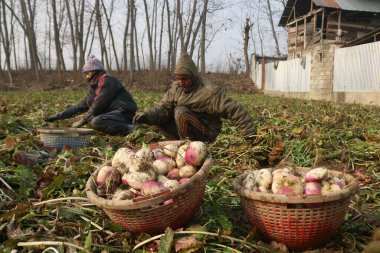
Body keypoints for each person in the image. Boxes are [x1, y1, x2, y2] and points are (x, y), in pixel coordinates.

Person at [132, 52, 256, 142]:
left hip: (205, 131)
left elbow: (233, 109)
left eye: (184, 79)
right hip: (184, 127)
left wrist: (249, 136)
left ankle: (189, 148)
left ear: (193, 76)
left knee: (181, 112)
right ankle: (179, 142)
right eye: (178, 78)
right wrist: (147, 116)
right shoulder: (176, 88)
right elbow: (163, 108)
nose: (181, 82)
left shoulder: (208, 92)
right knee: (156, 118)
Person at [45, 55, 137, 135]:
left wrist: (84, 119)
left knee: (97, 121)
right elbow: (81, 106)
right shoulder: (94, 87)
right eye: (85, 73)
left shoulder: (107, 80)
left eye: (87, 73)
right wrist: (60, 116)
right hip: (112, 115)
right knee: (96, 120)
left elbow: (100, 103)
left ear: (95, 71)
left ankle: (130, 129)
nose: (86, 76)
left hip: (124, 113)